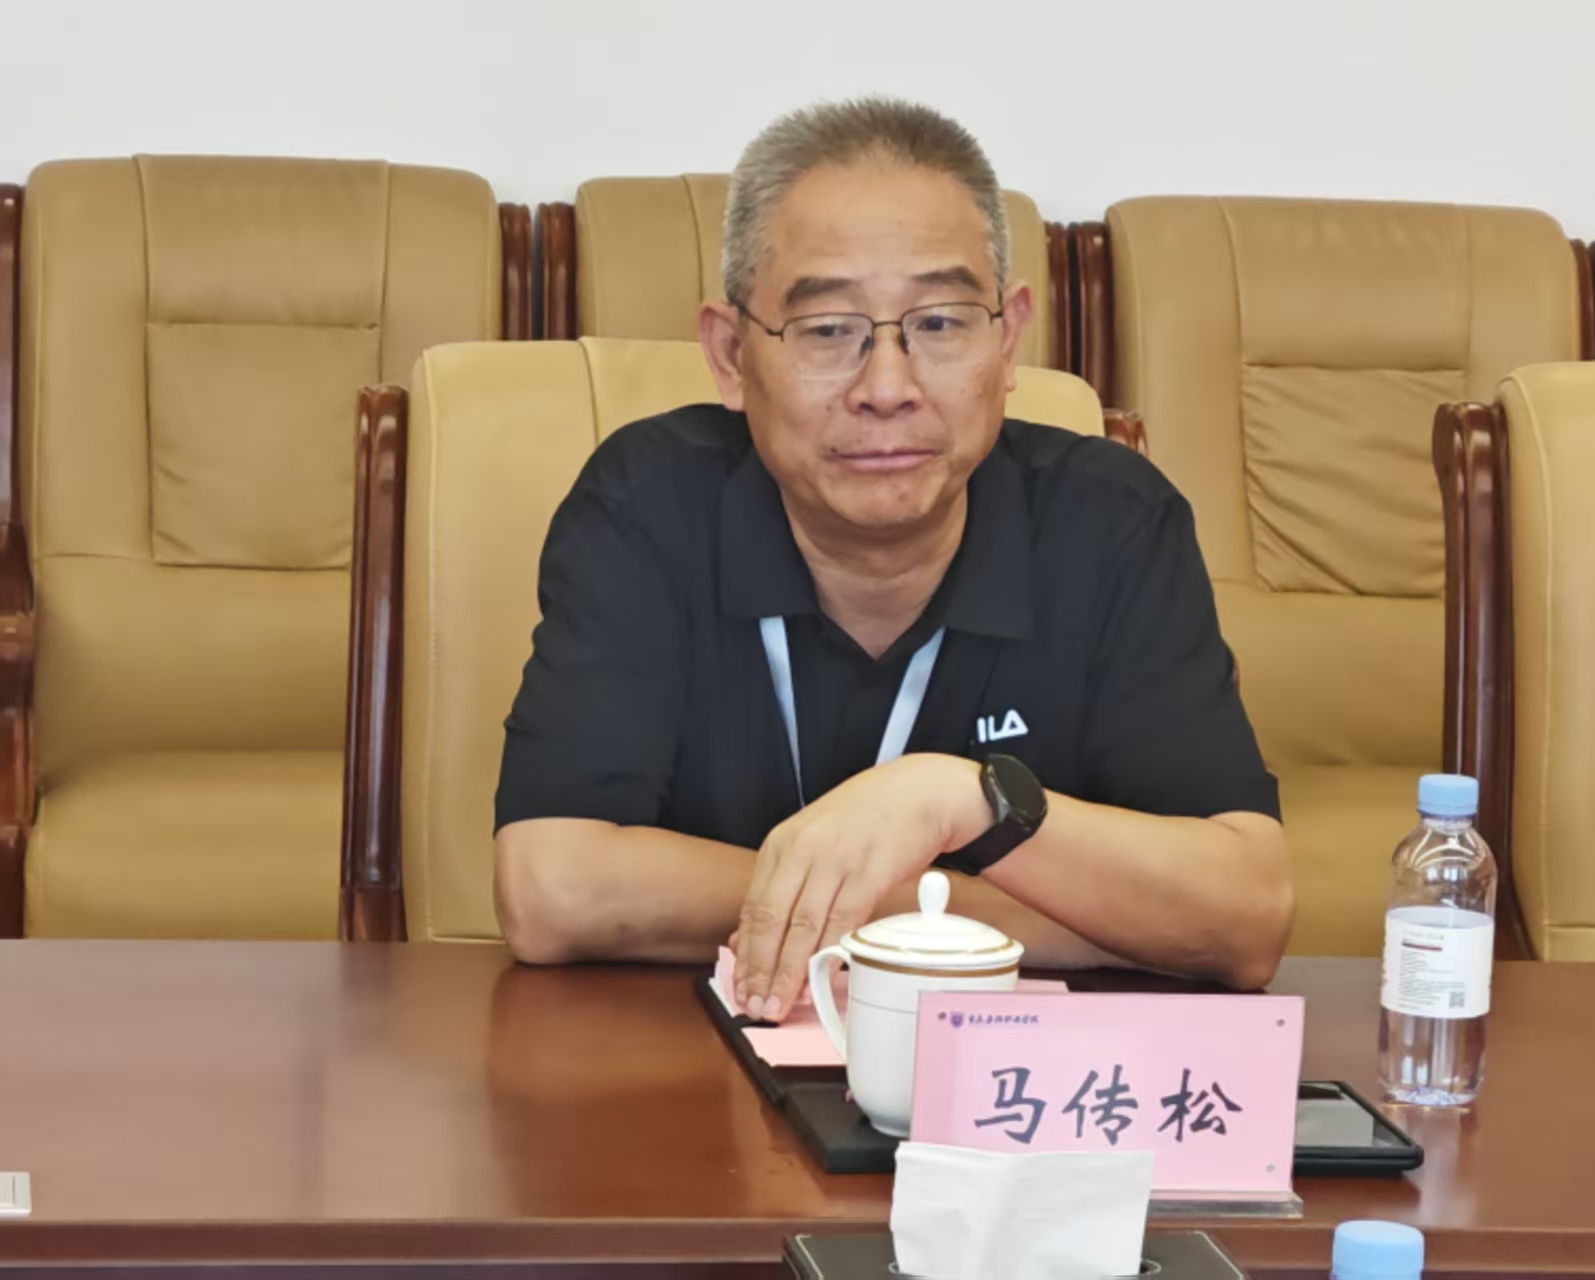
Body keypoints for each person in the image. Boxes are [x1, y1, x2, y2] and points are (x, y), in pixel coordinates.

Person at [493, 98, 1293, 1019]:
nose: (887, 386)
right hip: (686, 1073)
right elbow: (553, 890)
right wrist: (1010, 921)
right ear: (730, 355)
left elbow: (1244, 919)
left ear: (1008, 340)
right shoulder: (646, 505)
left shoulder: (1111, 523)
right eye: (827, 329)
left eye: (941, 323)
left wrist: (960, 800)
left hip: (1008, 1092)